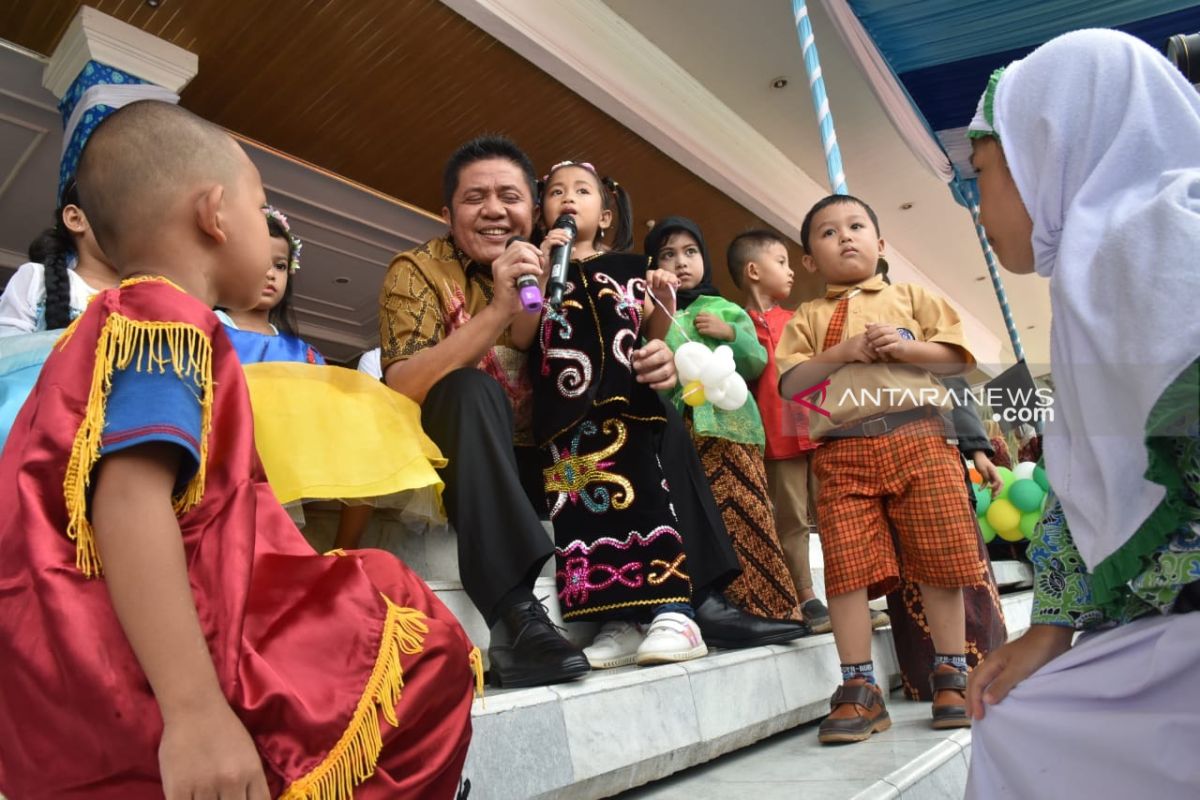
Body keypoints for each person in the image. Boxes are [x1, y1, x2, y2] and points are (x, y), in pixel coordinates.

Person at [0, 101, 476, 800]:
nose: (267, 226)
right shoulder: (162, 319)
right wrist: (193, 713)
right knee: (410, 623)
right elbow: (128, 500)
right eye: (262, 207)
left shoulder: (105, 331)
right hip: (155, 673)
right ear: (214, 214)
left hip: (88, 662)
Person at [378, 136, 803, 688]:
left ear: (532, 210)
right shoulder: (417, 271)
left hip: (562, 463)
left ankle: (702, 597)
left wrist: (656, 362)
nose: (493, 210)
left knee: (647, 405)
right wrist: (501, 310)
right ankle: (517, 613)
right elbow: (404, 383)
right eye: (474, 197)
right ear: (446, 212)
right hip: (469, 469)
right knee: (468, 390)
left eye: (509, 196)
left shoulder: (563, 266)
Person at [961, 30, 1200, 799]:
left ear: (1048, 149)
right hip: (1168, 618)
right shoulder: (1091, 280)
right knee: (1020, 718)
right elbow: (1082, 468)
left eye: (985, 176)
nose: (979, 207)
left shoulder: (1167, 244)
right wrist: (1052, 625)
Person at [778, 194, 986, 743]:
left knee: (940, 560)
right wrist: (843, 350)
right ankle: (859, 686)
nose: (844, 237)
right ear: (808, 260)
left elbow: (958, 356)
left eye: (856, 225)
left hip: (920, 434)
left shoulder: (912, 297)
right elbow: (793, 385)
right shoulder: (807, 318)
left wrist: (905, 348)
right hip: (842, 450)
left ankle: (952, 673)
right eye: (826, 232)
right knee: (846, 571)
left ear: (880, 243)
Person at [520, 161, 709, 668]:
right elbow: (521, 335)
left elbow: (649, 337)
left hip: (628, 410)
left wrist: (663, 309)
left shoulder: (631, 267)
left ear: (604, 215)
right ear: (541, 214)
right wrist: (533, 276)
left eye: (581, 191)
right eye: (556, 192)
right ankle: (617, 618)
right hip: (564, 419)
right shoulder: (535, 268)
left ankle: (674, 612)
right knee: (579, 516)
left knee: (645, 500)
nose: (567, 199)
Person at [644, 217, 801, 623]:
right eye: (668, 254)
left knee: (749, 510)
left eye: (690, 252)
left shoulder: (725, 308)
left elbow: (756, 361)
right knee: (707, 518)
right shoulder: (653, 318)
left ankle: (775, 607)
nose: (681, 262)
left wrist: (729, 332)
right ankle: (727, 607)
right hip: (685, 435)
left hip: (733, 429)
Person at [730, 228, 831, 632]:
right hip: (775, 437)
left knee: (834, 514)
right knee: (790, 520)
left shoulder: (800, 318)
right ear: (754, 270)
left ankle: (849, 594)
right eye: (782, 262)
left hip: (819, 431)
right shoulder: (735, 324)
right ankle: (806, 597)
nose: (790, 272)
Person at [0, 178, 118, 336]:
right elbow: (8, 354)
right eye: (122, 208)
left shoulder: (151, 293)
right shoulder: (36, 280)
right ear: (75, 219)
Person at [215, 209, 325, 364]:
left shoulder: (300, 353)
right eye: (260, 260)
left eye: (280, 266)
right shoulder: (203, 331)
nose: (271, 274)